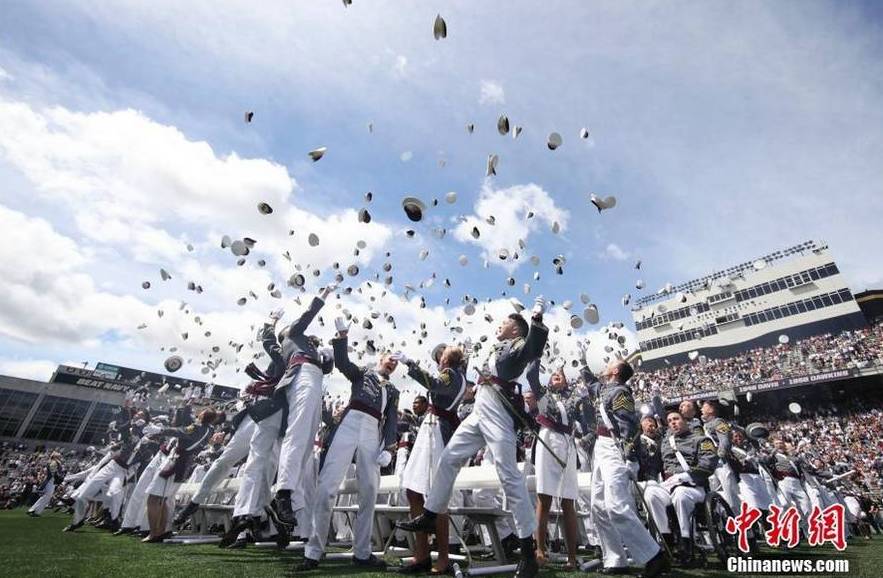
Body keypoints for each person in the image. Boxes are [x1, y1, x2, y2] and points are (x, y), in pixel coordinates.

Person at [398, 297, 548, 578]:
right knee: (449, 457)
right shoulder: (494, 349)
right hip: (481, 408)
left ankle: (528, 552)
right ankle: (430, 515)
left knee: (509, 478)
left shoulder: (516, 345)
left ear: (516, 330)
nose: (500, 324)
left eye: (506, 322)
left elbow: (532, 347)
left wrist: (536, 319)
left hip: (498, 412)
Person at [299, 318, 400, 572]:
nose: (393, 363)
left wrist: (388, 447)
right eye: (390, 358)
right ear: (380, 359)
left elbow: (391, 421)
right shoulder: (363, 374)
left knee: (369, 489)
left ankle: (362, 552)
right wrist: (343, 336)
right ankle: (314, 550)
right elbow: (342, 364)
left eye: (396, 362)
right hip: (350, 422)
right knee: (327, 486)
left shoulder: (395, 391)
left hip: (372, 430)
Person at [588, 360, 667, 576]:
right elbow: (590, 383)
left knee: (616, 505)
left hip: (615, 448)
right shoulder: (606, 389)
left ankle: (654, 556)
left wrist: (630, 457)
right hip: (601, 446)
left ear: (615, 371)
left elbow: (628, 425)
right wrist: (583, 359)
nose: (605, 364)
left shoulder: (621, 392)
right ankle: (615, 559)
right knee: (599, 506)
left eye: (610, 364)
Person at [396, 345, 468, 575]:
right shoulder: (454, 375)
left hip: (437, 432)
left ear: (449, 358)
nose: (438, 358)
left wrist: (410, 364)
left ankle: (443, 558)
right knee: (413, 492)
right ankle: (422, 555)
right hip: (431, 430)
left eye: (441, 355)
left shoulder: (452, 374)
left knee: (436, 498)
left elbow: (433, 384)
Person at [272, 285, 336, 529]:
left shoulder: (308, 347)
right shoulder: (291, 335)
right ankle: (284, 494)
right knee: (298, 435)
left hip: (314, 378)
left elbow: (324, 369)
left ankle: (287, 495)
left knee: (307, 440)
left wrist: (327, 360)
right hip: (303, 376)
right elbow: (307, 316)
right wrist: (323, 296)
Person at [524, 356, 594, 571]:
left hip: (568, 444)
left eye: (561, 374)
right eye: (553, 374)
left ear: (566, 381)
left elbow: (589, 423)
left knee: (568, 502)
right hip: (548, 441)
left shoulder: (574, 398)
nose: (557, 375)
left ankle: (572, 557)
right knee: (544, 498)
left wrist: (587, 402)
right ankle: (540, 550)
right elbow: (530, 375)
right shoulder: (543, 395)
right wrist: (535, 353)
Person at [649, 411, 716, 565]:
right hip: (668, 486)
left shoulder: (701, 440)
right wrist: (651, 479)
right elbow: (654, 465)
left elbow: (709, 463)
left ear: (685, 421)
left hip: (693, 486)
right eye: (670, 420)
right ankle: (667, 542)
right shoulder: (665, 443)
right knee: (651, 493)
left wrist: (684, 477)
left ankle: (686, 543)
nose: (673, 422)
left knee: (681, 494)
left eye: (676, 419)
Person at [143, 407, 218, 543]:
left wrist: (160, 430)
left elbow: (180, 431)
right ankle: (161, 531)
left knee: (153, 499)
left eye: (200, 412)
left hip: (175, 463)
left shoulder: (196, 427)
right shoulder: (209, 430)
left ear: (202, 416)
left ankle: (154, 533)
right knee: (164, 500)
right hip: (183, 465)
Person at [700, 400, 738, 510]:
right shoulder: (704, 426)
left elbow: (725, 441)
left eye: (704, 407)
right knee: (716, 493)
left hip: (721, 462)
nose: (701, 409)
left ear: (711, 410)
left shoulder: (719, 422)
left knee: (729, 491)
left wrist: (719, 456)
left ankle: (736, 516)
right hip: (710, 464)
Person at [27, 452, 63, 517]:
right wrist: (58, 477)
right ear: (55, 457)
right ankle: (34, 510)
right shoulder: (54, 462)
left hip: (52, 481)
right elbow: (53, 472)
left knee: (46, 497)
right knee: (47, 496)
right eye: (58, 456)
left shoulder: (54, 462)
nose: (60, 457)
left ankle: (35, 511)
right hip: (51, 481)